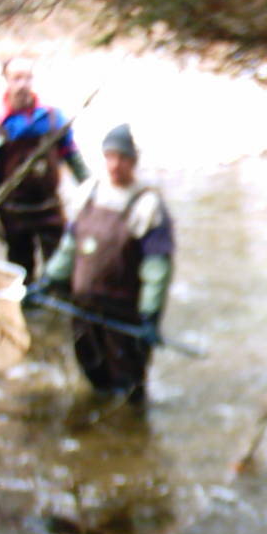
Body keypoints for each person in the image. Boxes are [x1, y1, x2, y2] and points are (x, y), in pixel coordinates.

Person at [35, 123, 175, 404]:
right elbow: (70, 246)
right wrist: (48, 280)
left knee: (128, 385)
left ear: (133, 162)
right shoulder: (88, 193)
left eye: (122, 158)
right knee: (93, 374)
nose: (114, 165)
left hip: (123, 315)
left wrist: (150, 317)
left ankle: (133, 437)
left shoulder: (147, 206)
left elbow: (156, 269)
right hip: (83, 308)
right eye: (109, 157)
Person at [0, 56, 91, 283]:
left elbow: (73, 158)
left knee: (64, 273)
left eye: (27, 78)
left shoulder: (54, 119)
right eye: (16, 78)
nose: (23, 84)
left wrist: (94, 191)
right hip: (14, 214)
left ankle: (60, 310)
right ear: (6, 81)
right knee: (21, 275)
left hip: (50, 208)